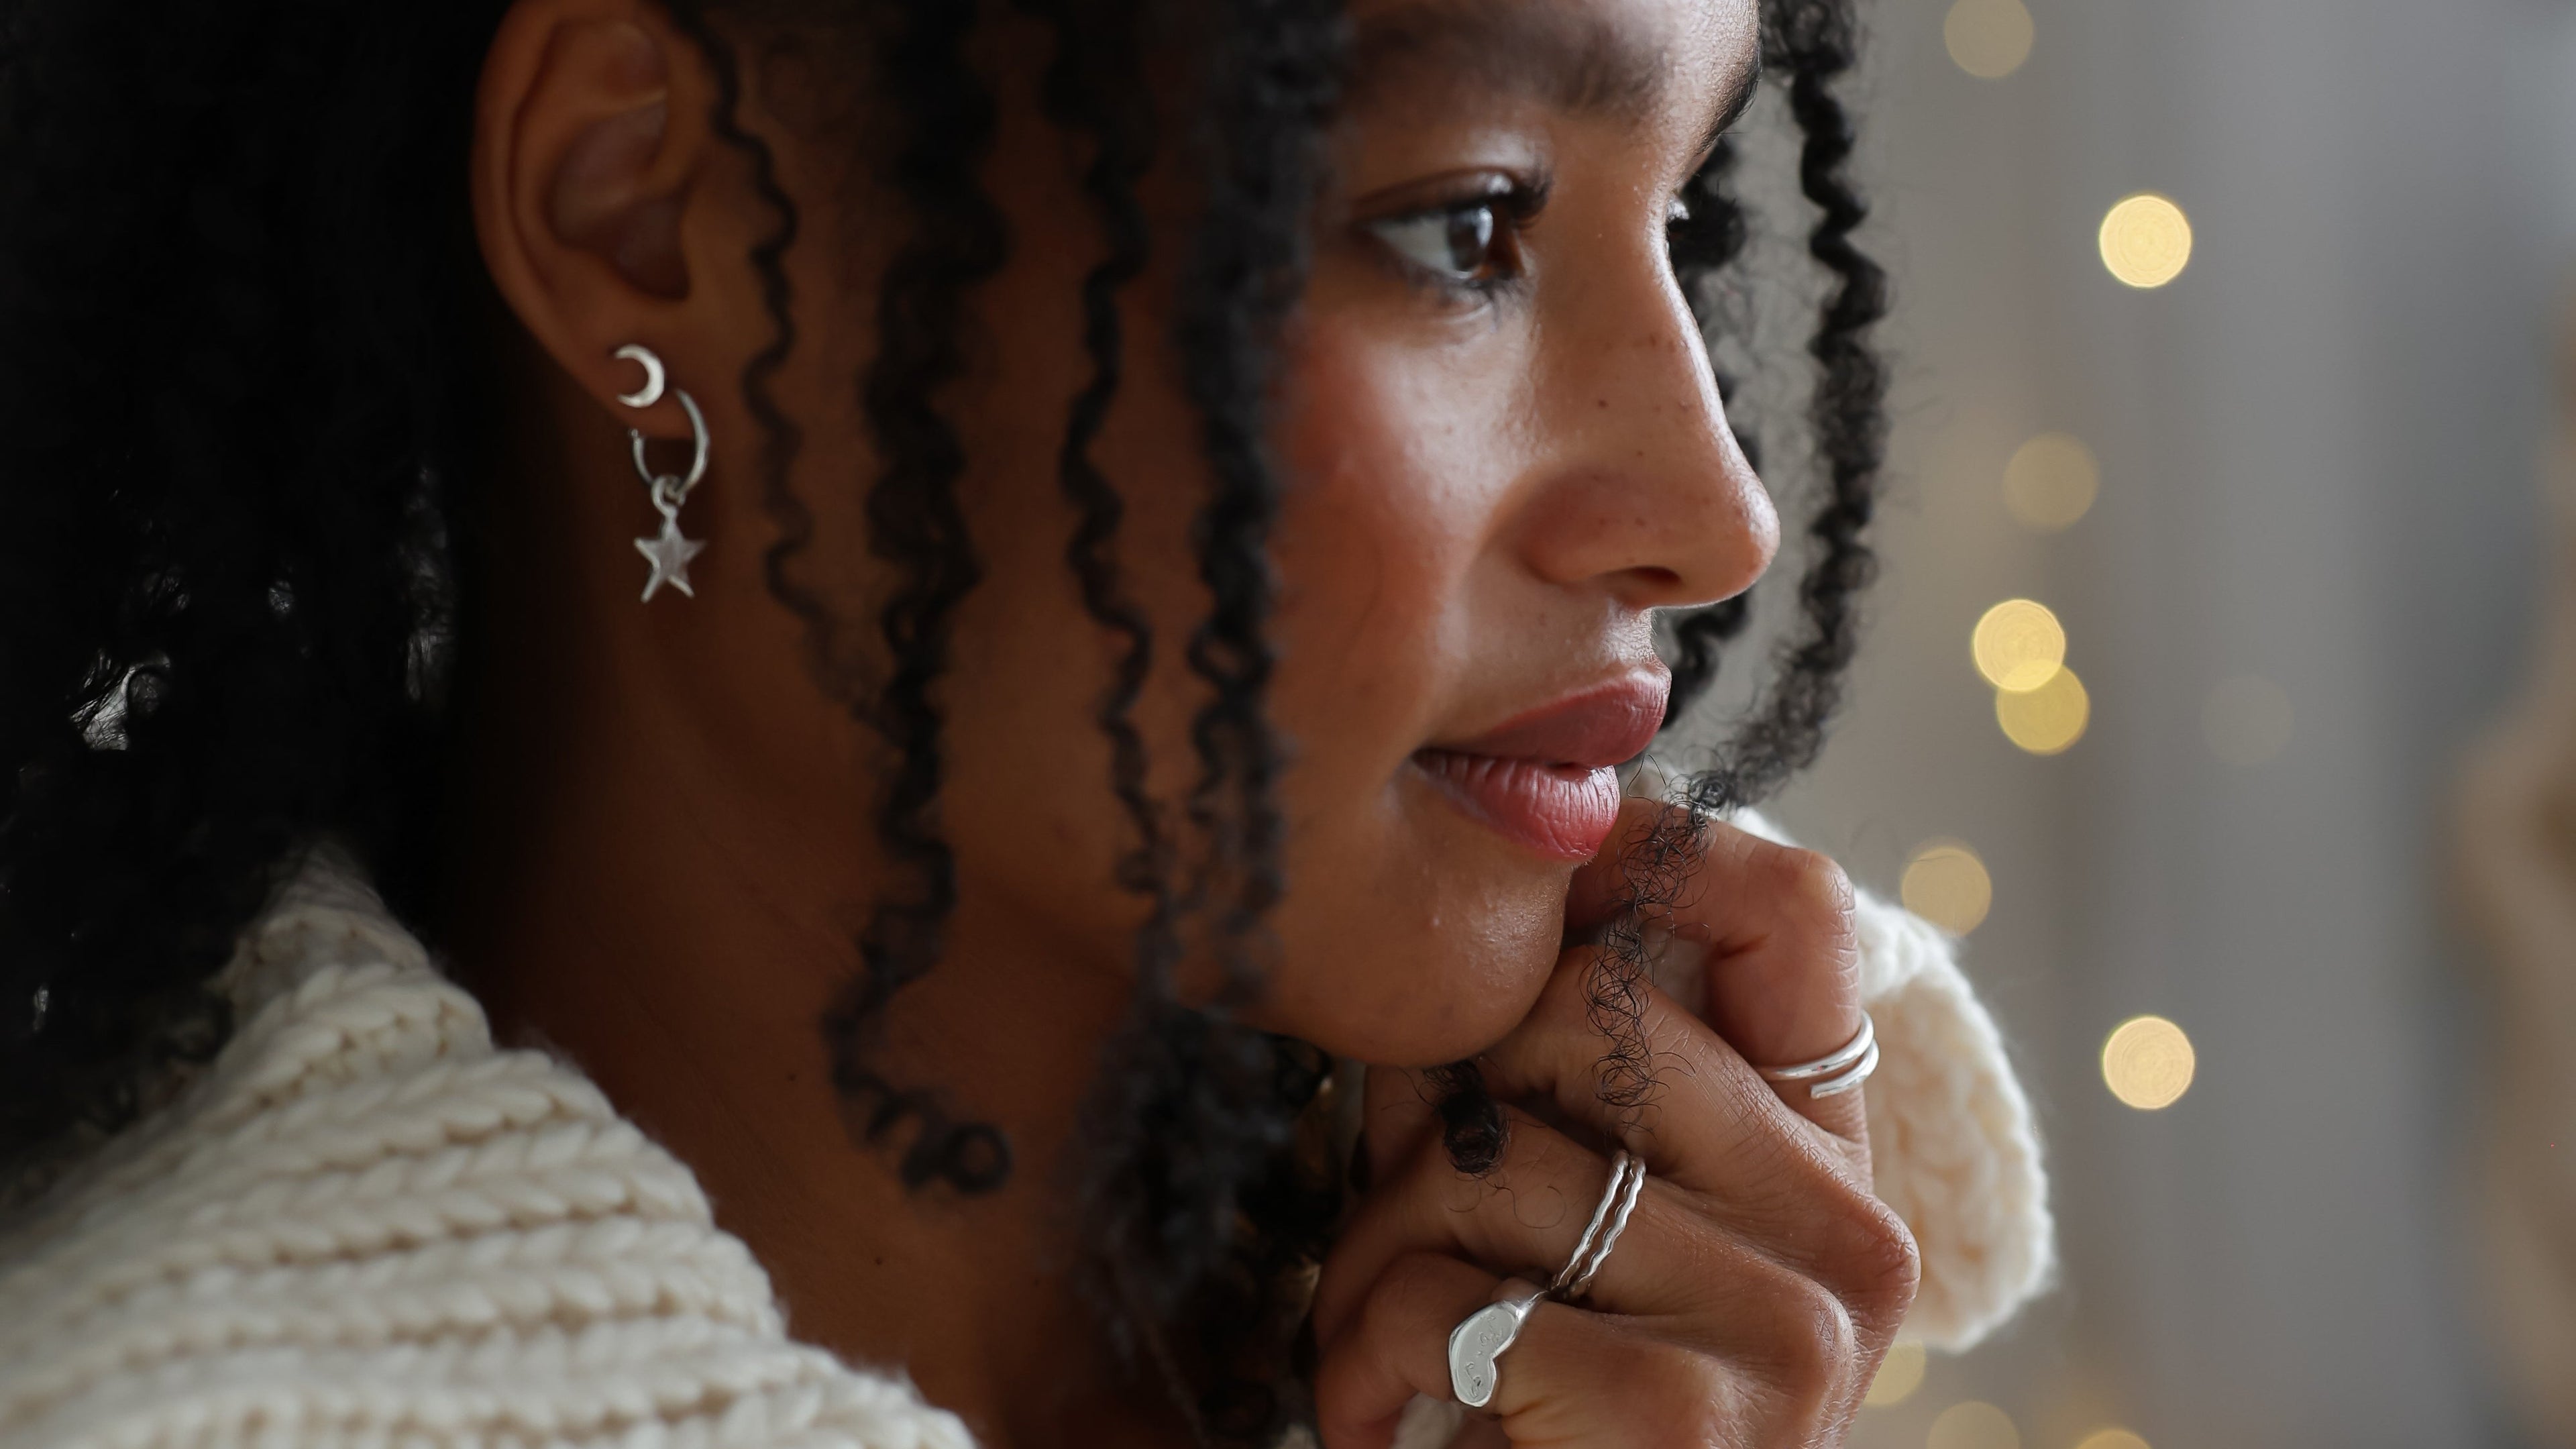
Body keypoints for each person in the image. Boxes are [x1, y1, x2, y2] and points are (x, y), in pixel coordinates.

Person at [0, 1, 2049, 1445]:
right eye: (1465, 224)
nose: (1714, 515)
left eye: (1682, 220)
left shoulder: (1627, 1305)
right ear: (648, 207)